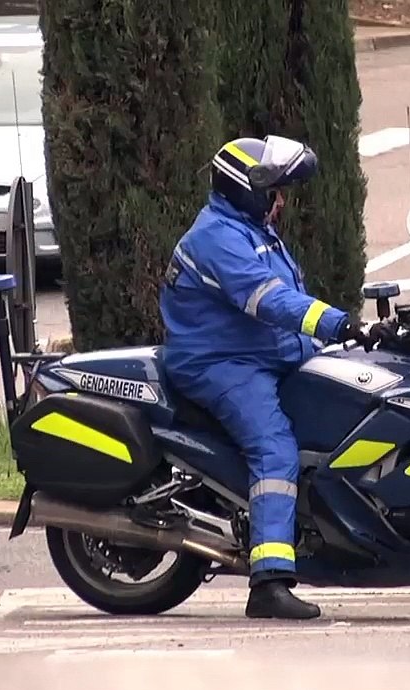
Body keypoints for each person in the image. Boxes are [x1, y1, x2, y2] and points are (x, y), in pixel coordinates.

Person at [159, 135, 364, 620]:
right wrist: (338, 324)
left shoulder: (253, 231)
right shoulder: (217, 238)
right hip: (220, 364)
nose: (281, 201)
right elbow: (269, 300)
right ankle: (269, 582)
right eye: (274, 191)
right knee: (275, 450)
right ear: (245, 190)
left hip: (259, 355)